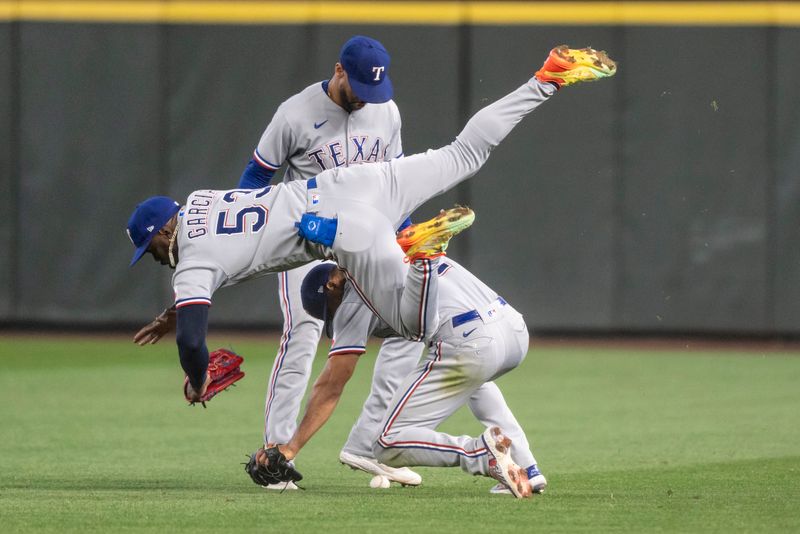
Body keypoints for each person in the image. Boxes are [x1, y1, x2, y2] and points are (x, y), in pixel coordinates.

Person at [126, 46, 617, 479]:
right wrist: (177, 310)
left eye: (149, 250)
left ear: (164, 233)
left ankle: (423, 253)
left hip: (342, 233)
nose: (154, 259)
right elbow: (238, 214)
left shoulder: (192, 265)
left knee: (407, 322)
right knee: (464, 153)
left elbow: (195, 338)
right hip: (360, 185)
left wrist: (197, 378)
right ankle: (546, 78)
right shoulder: (202, 199)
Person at [235, 35, 423, 489]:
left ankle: (381, 441)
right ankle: (275, 456)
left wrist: (409, 237)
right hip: (304, 241)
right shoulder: (295, 113)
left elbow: (398, 184)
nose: (364, 96)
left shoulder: (386, 110)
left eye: (372, 88)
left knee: (414, 325)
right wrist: (244, 244)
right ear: (339, 70)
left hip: (368, 238)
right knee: (302, 334)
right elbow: (255, 179)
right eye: (358, 84)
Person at [260, 256, 547, 497]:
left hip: (471, 342)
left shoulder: (352, 291)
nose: (334, 315)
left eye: (329, 309)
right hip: (514, 331)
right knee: (475, 383)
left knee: (387, 442)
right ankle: (528, 468)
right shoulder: (397, 252)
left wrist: (290, 447)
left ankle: (482, 455)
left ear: (332, 285)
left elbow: (330, 387)